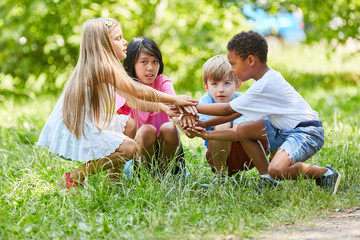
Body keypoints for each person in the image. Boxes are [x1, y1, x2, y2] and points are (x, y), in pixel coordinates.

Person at [36, 18, 197, 192]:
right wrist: (173, 100)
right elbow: (138, 91)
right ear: (103, 45)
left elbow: (134, 101)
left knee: (129, 125)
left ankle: (114, 181)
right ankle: (74, 177)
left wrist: (164, 108)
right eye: (118, 38)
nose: (125, 41)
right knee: (129, 147)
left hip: (90, 120)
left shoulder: (108, 67)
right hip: (78, 124)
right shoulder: (101, 67)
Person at [190, 31, 341, 195]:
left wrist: (189, 105)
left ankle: (324, 173)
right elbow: (234, 113)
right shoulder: (262, 82)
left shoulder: (266, 85)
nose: (232, 70)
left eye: (233, 64)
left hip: (306, 132)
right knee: (244, 129)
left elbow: (227, 109)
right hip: (284, 130)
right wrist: (204, 124)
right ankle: (268, 179)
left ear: (250, 60)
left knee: (277, 169)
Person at [114, 36, 187, 176]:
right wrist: (161, 106)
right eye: (144, 62)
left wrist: (184, 122)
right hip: (138, 149)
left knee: (169, 127)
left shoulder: (162, 82)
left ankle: (166, 177)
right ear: (130, 65)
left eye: (155, 62)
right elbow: (135, 103)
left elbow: (173, 108)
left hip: (166, 149)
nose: (151, 67)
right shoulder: (124, 85)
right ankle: (146, 177)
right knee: (147, 130)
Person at [192, 55, 270, 178]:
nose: (221, 89)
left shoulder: (242, 100)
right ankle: (221, 176)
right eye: (214, 84)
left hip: (248, 151)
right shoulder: (205, 101)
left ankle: (270, 175)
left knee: (271, 125)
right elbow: (196, 131)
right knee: (221, 125)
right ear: (206, 86)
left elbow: (238, 133)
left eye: (227, 83)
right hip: (219, 154)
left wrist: (204, 133)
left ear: (237, 84)